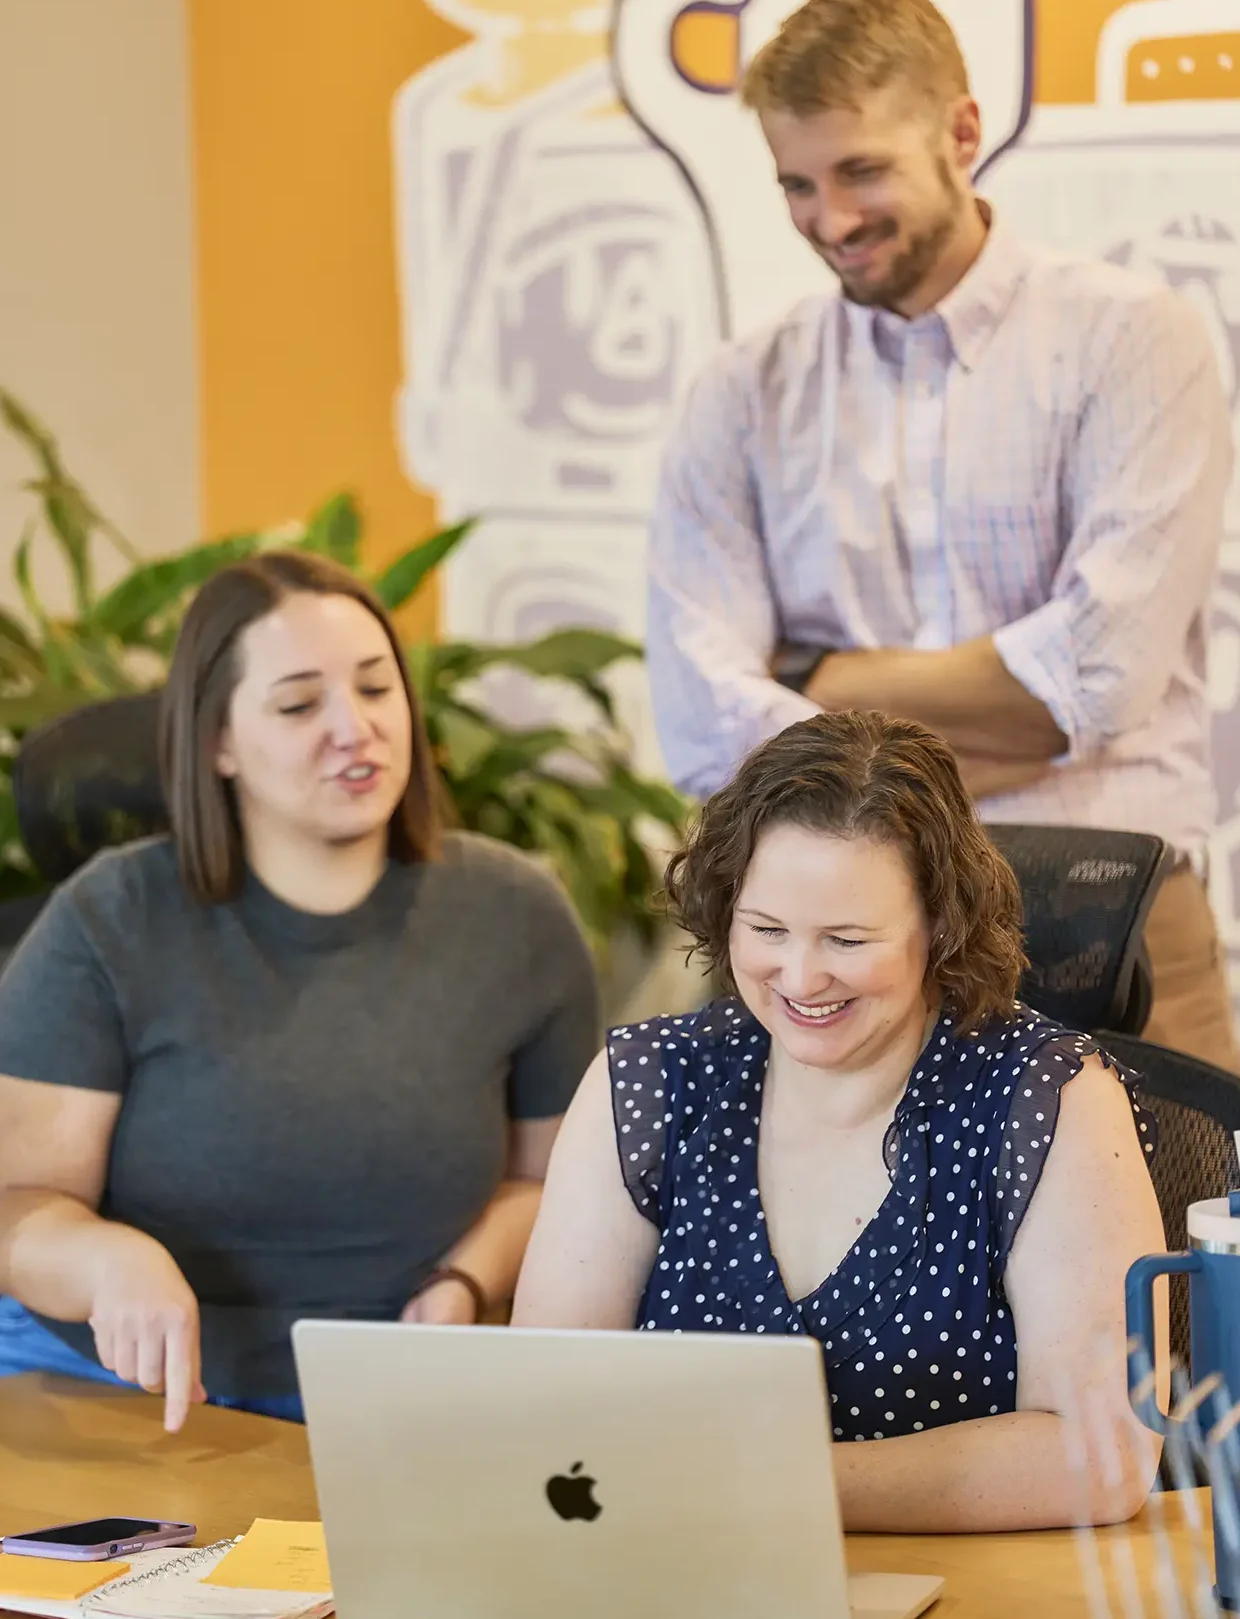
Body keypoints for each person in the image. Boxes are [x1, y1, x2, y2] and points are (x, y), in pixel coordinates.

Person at [644, 0, 1238, 1071]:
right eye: (796, 183)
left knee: (1158, 1235)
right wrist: (1022, 720)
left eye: (860, 171)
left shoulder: (1129, 338)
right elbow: (698, 720)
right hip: (833, 942)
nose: (828, 218)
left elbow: (1099, 677)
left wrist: (816, 679)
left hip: (1108, 912)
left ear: (961, 133)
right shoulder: (742, 391)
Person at [513, 710, 1166, 1533]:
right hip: (680, 1591)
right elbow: (537, 1403)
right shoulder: (653, 1080)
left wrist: (769, 1487)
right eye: (767, 930)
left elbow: (1105, 1457)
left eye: (847, 940)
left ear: (940, 924)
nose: (800, 975)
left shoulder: (1051, 1098)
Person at [0, 552, 597, 1430]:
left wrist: (464, 1280)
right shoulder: (108, 920)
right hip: (108, 1385)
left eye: (375, 689)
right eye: (299, 704)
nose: (354, 729)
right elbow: (19, 1204)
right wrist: (105, 1262)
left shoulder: (516, 915)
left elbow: (553, 1186)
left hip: (394, 1389)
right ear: (218, 743)